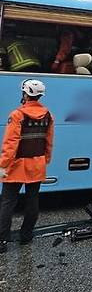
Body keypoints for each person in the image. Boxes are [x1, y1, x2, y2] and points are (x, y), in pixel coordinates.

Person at [0, 79, 54, 253]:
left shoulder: (17, 115)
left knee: (8, 202)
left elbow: (10, 144)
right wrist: (45, 160)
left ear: (25, 94)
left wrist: (3, 166)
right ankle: (26, 236)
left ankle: (2, 241)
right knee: (32, 200)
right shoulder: (48, 115)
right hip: (36, 164)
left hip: (16, 166)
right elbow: (48, 142)